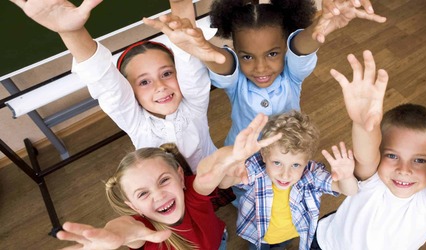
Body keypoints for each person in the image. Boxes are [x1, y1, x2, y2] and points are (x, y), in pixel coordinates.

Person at [143, 0, 385, 207]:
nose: (260, 68)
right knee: (250, 202)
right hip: (244, 167)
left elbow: (301, 48)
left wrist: (317, 29)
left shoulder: (292, 74)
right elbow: (223, 62)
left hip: (289, 161)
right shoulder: (236, 81)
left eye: (272, 54)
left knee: (284, 199)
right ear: (236, 52)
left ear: (284, 50)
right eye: (247, 57)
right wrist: (205, 50)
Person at [312, 50, 426, 249]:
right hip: (325, 242)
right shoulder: (373, 179)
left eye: (420, 160)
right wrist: (361, 122)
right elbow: (366, 154)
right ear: (379, 153)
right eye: (392, 155)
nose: (404, 169)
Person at [10, 0, 221, 174]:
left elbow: (185, 51)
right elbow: (105, 81)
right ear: (130, 91)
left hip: (216, 176)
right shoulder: (135, 122)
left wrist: (181, 3)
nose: (160, 86)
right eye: (144, 82)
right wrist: (71, 32)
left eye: (166, 73)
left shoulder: (194, 102)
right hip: (172, 196)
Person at [55, 113, 282, 250]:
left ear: (181, 177)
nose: (159, 195)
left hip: (217, 242)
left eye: (164, 180)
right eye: (142, 194)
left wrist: (230, 156)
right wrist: (118, 235)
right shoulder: (143, 230)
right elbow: (128, 229)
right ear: (133, 207)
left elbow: (208, 171)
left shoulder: (193, 193)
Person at [225, 110, 358, 250]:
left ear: (306, 162)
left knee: (281, 245)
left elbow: (350, 190)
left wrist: (347, 176)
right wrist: (231, 165)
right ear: (264, 155)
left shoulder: (312, 175)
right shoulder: (256, 169)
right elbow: (224, 184)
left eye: (295, 165)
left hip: (291, 234)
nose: (285, 175)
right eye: (277, 163)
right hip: (258, 235)